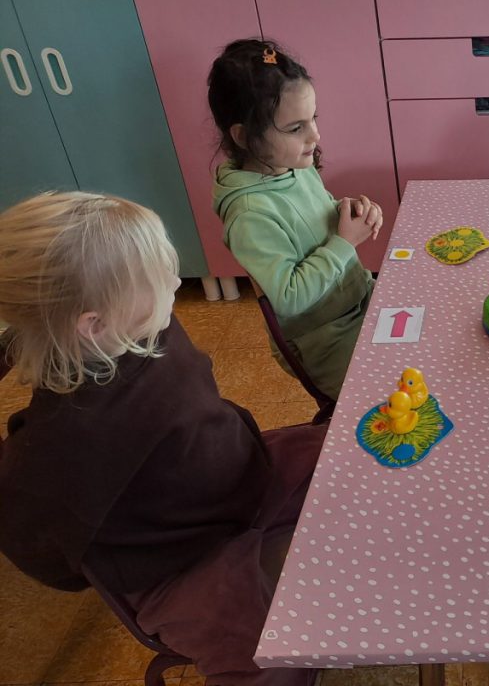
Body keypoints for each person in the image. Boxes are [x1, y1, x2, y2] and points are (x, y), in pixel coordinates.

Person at [0, 191, 325, 686]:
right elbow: (36, 543)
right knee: (266, 653)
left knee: (354, 453)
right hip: (181, 560)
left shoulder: (145, 327)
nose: (177, 282)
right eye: (161, 278)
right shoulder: (64, 448)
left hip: (240, 475)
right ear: (95, 325)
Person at [208, 38, 383, 400]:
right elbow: (289, 298)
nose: (315, 136)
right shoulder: (250, 215)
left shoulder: (291, 165)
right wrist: (344, 242)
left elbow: (315, 216)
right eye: (295, 128)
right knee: (395, 400)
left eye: (313, 119)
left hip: (358, 298)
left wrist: (347, 210)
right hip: (325, 339)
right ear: (244, 136)